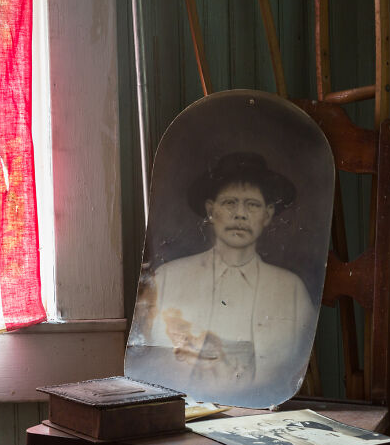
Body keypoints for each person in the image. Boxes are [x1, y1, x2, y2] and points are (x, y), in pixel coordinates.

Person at [129, 152, 315, 406]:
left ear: (268, 215)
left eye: (252, 205)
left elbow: (289, 371)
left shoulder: (291, 290)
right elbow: (153, 363)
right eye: (229, 203)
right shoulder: (167, 279)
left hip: (261, 415)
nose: (240, 214)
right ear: (210, 211)